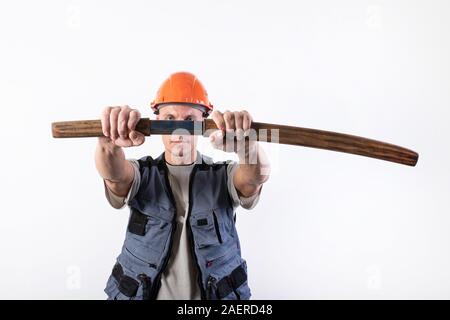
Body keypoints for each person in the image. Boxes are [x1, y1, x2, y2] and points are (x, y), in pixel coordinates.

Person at [95, 71, 270, 300]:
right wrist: (108, 145)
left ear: (205, 124)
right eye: (169, 119)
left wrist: (249, 150)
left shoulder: (222, 176)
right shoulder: (142, 175)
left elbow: (254, 177)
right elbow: (115, 175)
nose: (179, 130)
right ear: (156, 122)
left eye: (190, 121)